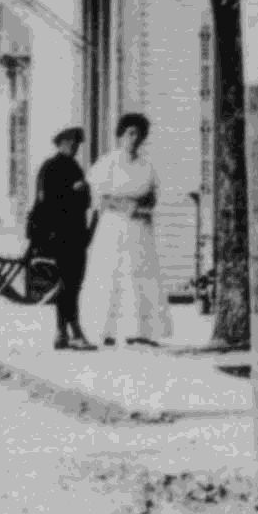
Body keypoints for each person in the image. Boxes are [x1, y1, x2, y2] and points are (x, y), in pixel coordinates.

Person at [78, 111, 169, 346]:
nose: (134, 139)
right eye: (130, 134)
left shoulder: (145, 166)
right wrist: (124, 206)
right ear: (121, 135)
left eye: (139, 135)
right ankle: (106, 330)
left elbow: (152, 196)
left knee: (139, 276)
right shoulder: (108, 163)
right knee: (113, 275)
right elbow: (100, 196)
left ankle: (140, 331)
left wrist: (142, 206)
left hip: (139, 228)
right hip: (114, 226)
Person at [24, 126, 96, 348]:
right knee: (68, 283)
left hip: (76, 233)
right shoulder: (51, 167)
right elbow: (47, 202)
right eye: (70, 142)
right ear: (60, 143)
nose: (74, 146)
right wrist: (74, 191)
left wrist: (82, 191)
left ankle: (63, 332)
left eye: (76, 143)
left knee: (72, 283)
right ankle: (71, 331)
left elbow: (86, 202)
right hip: (60, 234)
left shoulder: (74, 167)